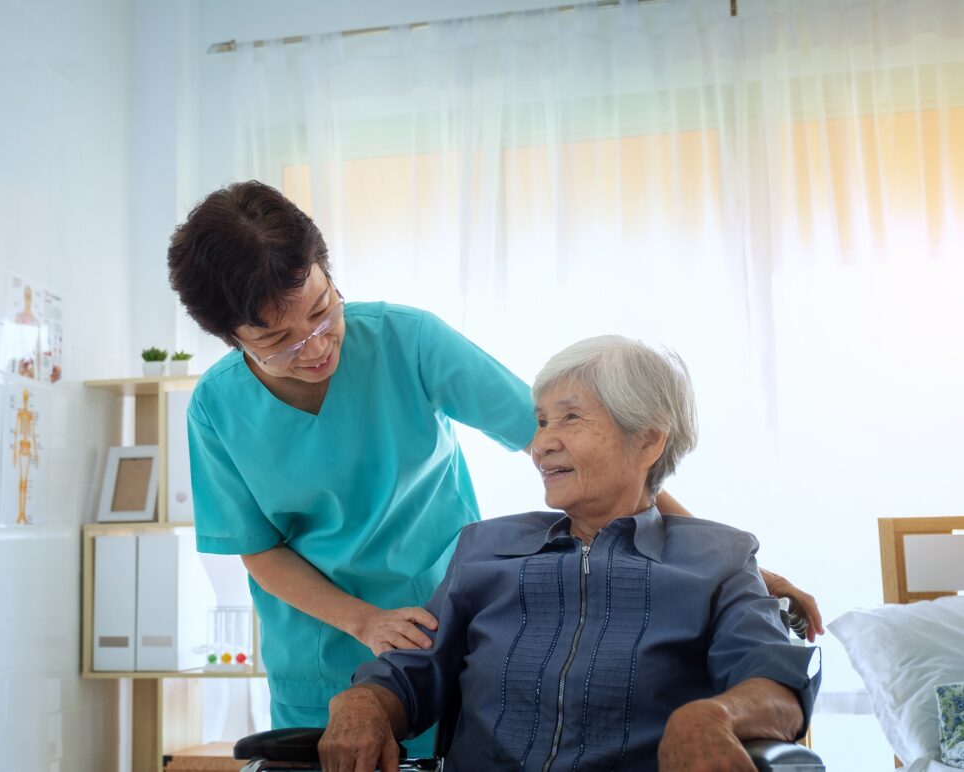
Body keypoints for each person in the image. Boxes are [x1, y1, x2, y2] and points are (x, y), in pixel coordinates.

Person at [166, 181, 821, 750]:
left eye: (323, 310)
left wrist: (724, 563)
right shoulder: (217, 409)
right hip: (323, 652)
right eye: (279, 340)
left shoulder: (407, 340)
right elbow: (258, 550)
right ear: (232, 339)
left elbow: (586, 456)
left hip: (447, 632)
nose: (314, 345)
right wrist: (364, 622)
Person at [319, 336, 821, 772]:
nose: (540, 445)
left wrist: (714, 716)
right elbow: (414, 671)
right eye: (540, 422)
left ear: (647, 439)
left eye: (571, 417)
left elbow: (775, 682)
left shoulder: (719, 560)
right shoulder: (485, 548)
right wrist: (363, 700)